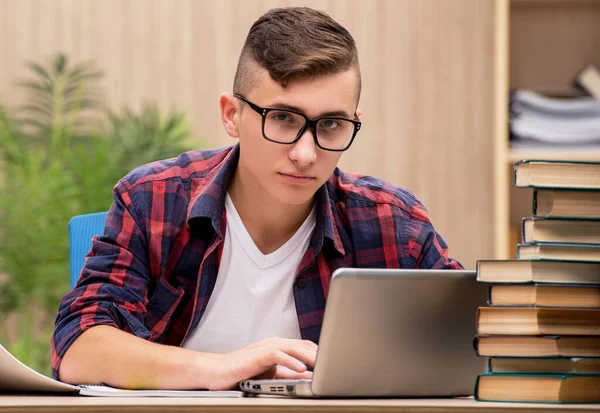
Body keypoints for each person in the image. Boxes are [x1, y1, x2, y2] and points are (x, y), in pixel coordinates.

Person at [52, 6, 463, 391]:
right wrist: (223, 367)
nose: (306, 154)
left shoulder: (393, 223)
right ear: (232, 115)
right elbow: (78, 348)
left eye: (332, 124)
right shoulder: (153, 199)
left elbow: (468, 343)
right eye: (282, 119)